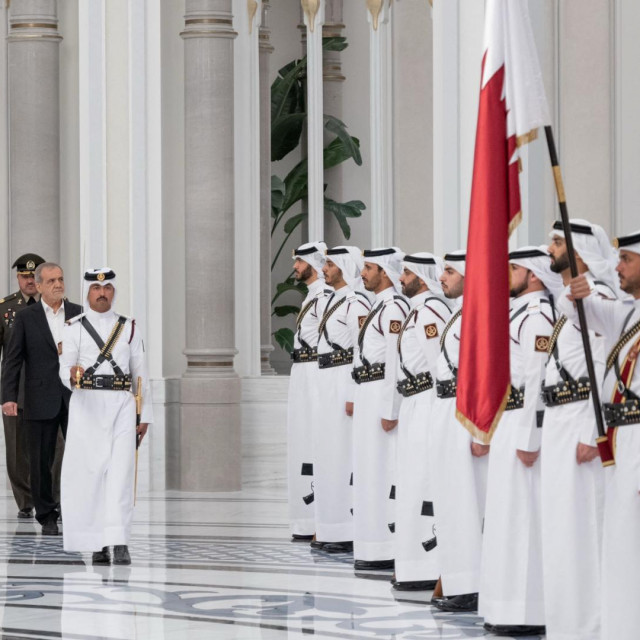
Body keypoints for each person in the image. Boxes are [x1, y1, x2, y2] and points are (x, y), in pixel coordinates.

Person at [541, 220, 617, 640]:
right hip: (559, 421)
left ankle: (591, 626)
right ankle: (567, 624)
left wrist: (594, 432)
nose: (550, 248)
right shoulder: (571, 301)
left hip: (581, 426)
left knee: (584, 527)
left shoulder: (600, 299)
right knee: (561, 528)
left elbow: (608, 370)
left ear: (580, 250)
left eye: (557, 242)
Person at [565, 230, 640, 640]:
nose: (618, 268)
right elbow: (583, 312)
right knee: (620, 544)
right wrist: (576, 290)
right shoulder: (628, 313)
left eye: (626, 259)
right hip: (622, 437)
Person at [479, 247, 555, 636]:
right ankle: (505, 605)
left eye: (514, 268)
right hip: (508, 420)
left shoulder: (538, 315)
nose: (507, 273)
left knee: (524, 517)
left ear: (536, 275)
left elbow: (538, 379)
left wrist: (529, 436)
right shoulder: (519, 312)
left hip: (524, 423)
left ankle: (527, 610)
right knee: (507, 516)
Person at [59, 268, 152, 565]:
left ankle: (119, 540)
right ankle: (98, 542)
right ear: (88, 293)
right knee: (90, 476)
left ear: (113, 291)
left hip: (122, 406)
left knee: (121, 475)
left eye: (108, 288)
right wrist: (72, 376)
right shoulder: (73, 327)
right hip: (86, 405)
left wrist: (144, 414)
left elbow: (141, 373)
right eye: (97, 289)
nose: (103, 294)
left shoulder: (129, 328)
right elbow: (65, 369)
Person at [1, 262, 82, 536]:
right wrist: (8, 397)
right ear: (39, 284)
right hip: (38, 396)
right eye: (51, 281)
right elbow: (12, 360)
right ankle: (46, 514)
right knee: (40, 460)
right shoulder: (26, 317)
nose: (58, 285)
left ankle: (74, 508)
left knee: (78, 456)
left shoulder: (79, 313)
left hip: (76, 398)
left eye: (60, 279)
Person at [430, 251, 487, 613]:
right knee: (450, 500)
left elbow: (483, 373)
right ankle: (455, 577)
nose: (443, 277)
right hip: (446, 411)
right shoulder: (459, 312)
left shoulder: (479, 315)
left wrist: (480, 431)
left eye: (450, 271)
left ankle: (470, 585)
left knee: (468, 501)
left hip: (465, 416)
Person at [392, 253, 451, 591]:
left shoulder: (430, 310)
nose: (402, 278)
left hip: (428, 402)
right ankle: (412, 562)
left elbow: (436, 364)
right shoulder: (419, 308)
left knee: (423, 483)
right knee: (410, 483)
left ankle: (427, 565)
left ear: (423, 278)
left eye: (408, 273)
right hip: (414, 402)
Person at [351, 247, 409, 571]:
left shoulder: (395, 308)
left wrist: (391, 408)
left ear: (384, 271)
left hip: (381, 396)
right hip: (367, 391)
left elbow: (393, 362)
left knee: (382, 469)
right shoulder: (379, 306)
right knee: (368, 469)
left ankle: (385, 546)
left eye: (368, 268)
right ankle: (371, 544)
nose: (362, 274)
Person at [311, 246, 371, 553]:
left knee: (342, 456)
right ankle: (329, 527)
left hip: (342, 380)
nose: (324, 268)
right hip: (326, 380)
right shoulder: (334, 299)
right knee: (327, 455)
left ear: (346, 268)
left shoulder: (356, 302)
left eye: (331, 264)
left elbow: (362, 350)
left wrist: (351, 392)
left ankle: (345, 529)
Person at [287, 242, 332, 541]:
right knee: (302, 439)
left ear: (313, 264)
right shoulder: (310, 298)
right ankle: (305, 521)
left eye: (299, 262)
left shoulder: (326, 297)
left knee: (318, 439)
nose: (294, 267)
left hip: (317, 373)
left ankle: (322, 520)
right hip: (302, 373)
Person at [0, 253, 44, 518]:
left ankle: (52, 498)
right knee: (17, 450)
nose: (29, 281)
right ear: (18, 277)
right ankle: (25, 502)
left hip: (48, 389)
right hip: (16, 389)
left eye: (33, 276)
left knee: (55, 447)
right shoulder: (5, 308)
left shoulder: (57, 307)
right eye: (25, 276)